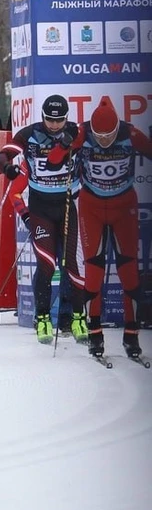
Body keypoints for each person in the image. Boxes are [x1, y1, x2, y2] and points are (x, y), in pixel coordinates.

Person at [0, 95, 86, 344]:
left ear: (66, 118)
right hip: (41, 207)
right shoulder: (30, 134)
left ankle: (77, 317)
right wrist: (7, 168)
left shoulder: (76, 133)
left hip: (68, 205)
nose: (54, 125)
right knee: (46, 265)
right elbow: (1, 156)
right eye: (49, 119)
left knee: (72, 265)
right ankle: (43, 318)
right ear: (42, 116)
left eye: (59, 120)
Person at [65, 99, 152, 359]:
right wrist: (67, 142)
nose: (104, 141)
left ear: (117, 129)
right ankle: (95, 334)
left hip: (124, 207)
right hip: (92, 207)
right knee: (93, 272)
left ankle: (131, 335)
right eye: (100, 136)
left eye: (109, 136)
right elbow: (58, 159)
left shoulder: (130, 133)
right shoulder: (82, 132)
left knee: (129, 272)